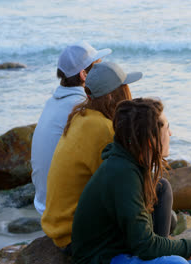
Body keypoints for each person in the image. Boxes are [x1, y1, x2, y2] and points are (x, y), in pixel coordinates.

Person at [71, 98, 191, 264]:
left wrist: (186, 248)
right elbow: (145, 245)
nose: (171, 134)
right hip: (102, 258)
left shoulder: (131, 163)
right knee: (177, 263)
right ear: (150, 140)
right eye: (167, 128)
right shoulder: (123, 174)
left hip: (123, 249)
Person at [41, 62, 175, 255]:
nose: (129, 92)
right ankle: (158, 257)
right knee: (162, 190)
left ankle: (158, 249)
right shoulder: (105, 130)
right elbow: (122, 187)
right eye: (125, 88)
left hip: (59, 226)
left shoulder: (81, 116)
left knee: (168, 218)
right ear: (113, 96)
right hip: (77, 234)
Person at [31, 41, 111, 216]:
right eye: (97, 67)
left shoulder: (53, 102)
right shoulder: (81, 108)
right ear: (84, 74)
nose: (103, 70)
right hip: (65, 212)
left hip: (42, 204)